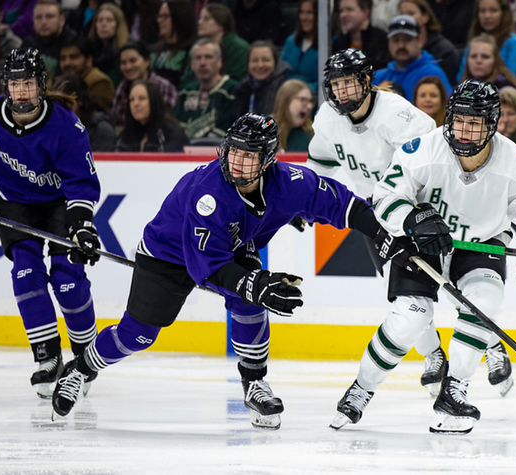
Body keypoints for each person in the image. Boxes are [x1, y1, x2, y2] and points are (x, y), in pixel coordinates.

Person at [51, 112, 384, 430]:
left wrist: (382, 234)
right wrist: (253, 282)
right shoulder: (208, 195)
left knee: (250, 300)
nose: (237, 163)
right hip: (166, 254)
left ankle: (254, 383)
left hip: (230, 246)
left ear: (268, 160)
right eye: (233, 152)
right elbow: (209, 267)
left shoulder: (290, 182)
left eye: (249, 156)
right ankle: (79, 369)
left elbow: (343, 204)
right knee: (137, 335)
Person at [331, 78, 516, 434]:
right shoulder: (421, 150)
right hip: (422, 245)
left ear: (492, 123)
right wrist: (411, 217)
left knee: (484, 302)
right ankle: (361, 389)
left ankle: (453, 391)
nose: (466, 130)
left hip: (480, 245)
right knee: (411, 316)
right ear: (449, 117)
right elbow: (385, 197)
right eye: (460, 120)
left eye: (476, 122)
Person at [307, 49, 448, 397]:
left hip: (419, 209)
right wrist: (304, 204)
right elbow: (319, 167)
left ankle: (486, 345)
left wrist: (418, 213)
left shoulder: (398, 116)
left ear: (367, 81)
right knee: (407, 297)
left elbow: (429, 158)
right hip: (376, 215)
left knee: (452, 281)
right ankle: (435, 355)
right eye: (335, 84)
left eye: (349, 82)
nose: (342, 91)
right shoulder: (327, 118)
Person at [0, 48, 102, 400]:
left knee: (68, 279)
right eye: (15, 84)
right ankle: (47, 358)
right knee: (25, 273)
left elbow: (81, 182)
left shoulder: (65, 125)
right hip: (14, 204)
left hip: (59, 204)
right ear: (6, 87)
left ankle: (85, 357)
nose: (22, 91)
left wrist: (82, 225)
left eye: (28, 83)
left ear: (41, 85)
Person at [372, 15, 451, 103]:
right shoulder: (378, 77)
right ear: (388, 43)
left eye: (407, 40)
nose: (401, 45)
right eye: (396, 40)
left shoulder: (432, 75)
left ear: (420, 41)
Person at [175, 38, 236, 140]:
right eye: (198, 58)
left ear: (219, 62)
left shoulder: (231, 90)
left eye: (208, 57)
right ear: (192, 65)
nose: (202, 63)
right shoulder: (186, 91)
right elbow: (179, 127)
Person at [456, 0, 516, 83]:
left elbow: (512, 78)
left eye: (493, 10)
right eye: (482, 11)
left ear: (504, 13)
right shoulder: (474, 42)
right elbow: (461, 77)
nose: (487, 16)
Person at [111, 41, 178, 129]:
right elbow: (116, 120)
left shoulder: (163, 87)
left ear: (147, 61)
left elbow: (166, 123)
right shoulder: (122, 86)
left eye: (133, 61)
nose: (128, 67)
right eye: (123, 63)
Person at [398, 0, 460, 88]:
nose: (405, 19)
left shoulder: (444, 51)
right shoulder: (398, 50)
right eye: (401, 14)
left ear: (426, 16)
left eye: (411, 14)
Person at [115, 79, 188, 152]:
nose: (136, 103)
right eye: (132, 99)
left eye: (142, 98)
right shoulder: (126, 134)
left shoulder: (171, 133)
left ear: (154, 101)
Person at [52, 74, 116, 152]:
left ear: (80, 100)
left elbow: (102, 162)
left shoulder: (100, 128)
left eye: (64, 101)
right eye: (55, 102)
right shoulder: (53, 127)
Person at [232, 41, 290, 120]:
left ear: (275, 63)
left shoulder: (285, 88)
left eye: (265, 60)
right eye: (255, 60)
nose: (260, 65)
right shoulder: (242, 88)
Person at [58, 35, 115, 112]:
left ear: (89, 60)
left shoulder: (100, 82)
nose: (67, 63)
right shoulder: (56, 81)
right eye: (63, 58)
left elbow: (98, 114)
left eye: (74, 57)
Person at [197, 3, 249, 83]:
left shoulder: (239, 48)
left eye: (206, 19)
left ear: (221, 23)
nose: (199, 22)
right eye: (200, 18)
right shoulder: (198, 47)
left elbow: (236, 79)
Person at [23, 0, 77, 77]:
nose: (43, 22)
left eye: (49, 16)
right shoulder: (28, 43)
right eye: (38, 17)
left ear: (62, 20)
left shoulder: (73, 43)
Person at [332, 0, 391, 71]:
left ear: (366, 13)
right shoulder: (338, 44)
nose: (343, 15)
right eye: (341, 11)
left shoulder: (382, 42)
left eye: (349, 9)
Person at [151, 0, 196, 88]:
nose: (159, 21)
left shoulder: (191, 50)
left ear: (179, 17)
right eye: (159, 16)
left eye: (165, 16)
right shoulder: (153, 49)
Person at [280, 0, 319, 92]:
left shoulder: (329, 44)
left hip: (313, 96)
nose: (303, 18)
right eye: (301, 12)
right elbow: (280, 71)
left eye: (309, 12)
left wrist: (305, 89)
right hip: (287, 92)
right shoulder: (291, 41)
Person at [87, 2, 129, 86]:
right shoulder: (90, 49)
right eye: (100, 20)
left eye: (109, 20)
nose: (103, 24)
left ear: (118, 24)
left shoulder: (126, 50)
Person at [270, 79, 314, 153]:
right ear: (286, 101)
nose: (310, 106)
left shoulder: (312, 135)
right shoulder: (265, 131)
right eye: (303, 100)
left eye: (310, 101)